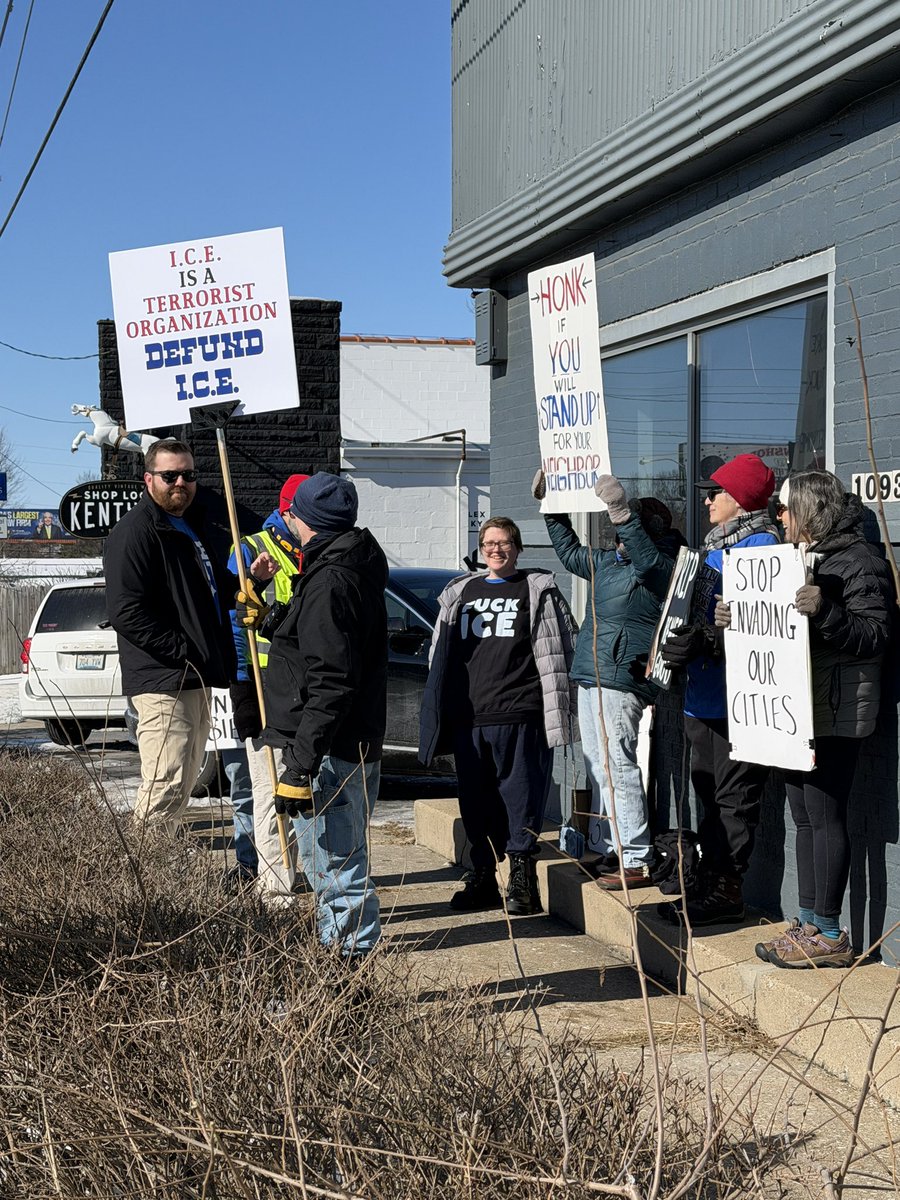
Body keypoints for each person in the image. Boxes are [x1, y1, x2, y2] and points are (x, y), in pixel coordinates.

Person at [736, 471, 893, 968]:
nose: (778, 518)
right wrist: (735, 617)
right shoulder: (801, 558)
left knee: (824, 817)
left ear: (809, 509)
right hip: (799, 705)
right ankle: (807, 921)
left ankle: (828, 932)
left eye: (784, 510)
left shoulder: (859, 559)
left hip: (836, 706)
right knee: (804, 817)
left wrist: (824, 611)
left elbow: (874, 636)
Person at [245, 472, 387, 958]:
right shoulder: (347, 561)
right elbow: (323, 644)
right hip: (342, 745)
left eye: (290, 513)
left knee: (336, 870)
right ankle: (342, 967)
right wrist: (270, 618)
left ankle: (349, 984)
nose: (286, 519)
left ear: (303, 519)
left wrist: (301, 765)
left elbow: (331, 680)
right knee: (334, 865)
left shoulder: (331, 579)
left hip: (331, 751)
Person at [105, 440, 274, 838]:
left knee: (180, 785)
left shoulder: (188, 525)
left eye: (189, 475)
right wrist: (184, 652)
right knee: (166, 783)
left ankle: (155, 879)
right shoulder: (136, 532)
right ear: (148, 480)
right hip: (165, 679)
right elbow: (126, 612)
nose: (180, 482)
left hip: (193, 676)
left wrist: (251, 581)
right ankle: (144, 884)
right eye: (170, 476)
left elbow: (207, 594)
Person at [419, 516, 577, 915]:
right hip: (469, 715)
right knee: (475, 802)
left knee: (521, 797)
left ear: (517, 547)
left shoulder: (537, 590)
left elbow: (563, 649)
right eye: (489, 543)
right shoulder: (459, 592)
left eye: (504, 542)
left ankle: (522, 879)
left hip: (520, 710)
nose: (496, 549)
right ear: (480, 548)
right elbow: (441, 656)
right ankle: (484, 877)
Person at [534, 470, 682, 888]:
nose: (618, 534)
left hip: (621, 677)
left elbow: (648, 561)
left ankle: (636, 858)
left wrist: (620, 511)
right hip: (592, 673)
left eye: (627, 525)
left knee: (619, 765)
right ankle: (620, 848)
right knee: (600, 767)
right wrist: (552, 505)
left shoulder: (661, 567)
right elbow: (568, 551)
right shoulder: (607, 563)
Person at [659, 453, 778, 924]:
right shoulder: (711, 549)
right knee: (707, 795)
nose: (707, 499)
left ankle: (728, 889)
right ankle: (707, 883)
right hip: (701, 697)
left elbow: (761, 627)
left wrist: (710, 637)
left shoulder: (762, 548)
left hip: (739, 700)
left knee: (734, 800)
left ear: (742, 500)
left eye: (717, 492)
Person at [225, 474, 308, 900]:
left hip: (301, 685)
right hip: (258, 684)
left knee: (300, 783)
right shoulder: (252, 547)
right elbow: (232, 609)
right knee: (267, 785)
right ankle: (274, 885)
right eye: (304, 512)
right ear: (287, 511)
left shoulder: (310, 550)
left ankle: (299, 869)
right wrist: (253, 581)